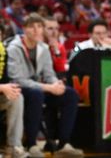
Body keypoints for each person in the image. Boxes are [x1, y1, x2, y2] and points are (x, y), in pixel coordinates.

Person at [7, 14, 82, 157]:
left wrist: (56, 83)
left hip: (39, 88)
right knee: (36, 93)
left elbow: (49, 74)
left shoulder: (44, 48)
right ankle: (31, 144)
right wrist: (48, 87)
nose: (36, 30)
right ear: (24, 29)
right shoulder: (14, 48)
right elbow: (18, 79)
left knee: (70, 95)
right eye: (31, 27)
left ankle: (63, 143)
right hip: (20, 89)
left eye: (39, 26)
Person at [0, 25, 26, 158]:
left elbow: (4, 79)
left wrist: (8, 88)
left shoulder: (2, 50)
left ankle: (14, 146)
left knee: (16, 96)